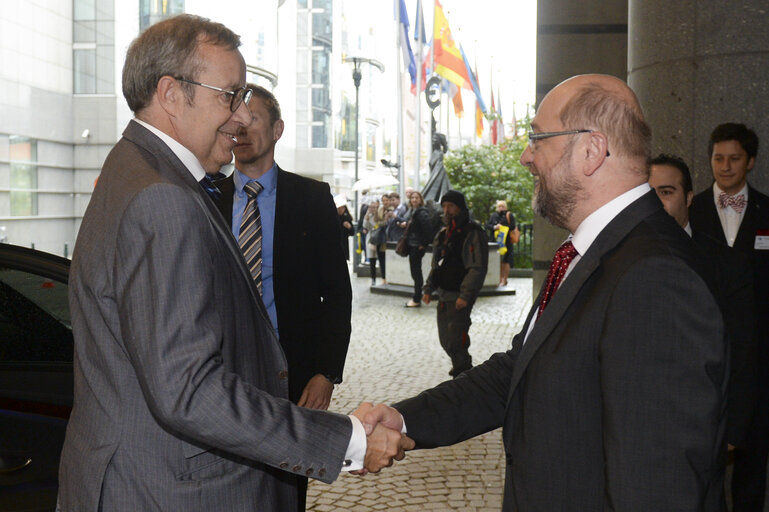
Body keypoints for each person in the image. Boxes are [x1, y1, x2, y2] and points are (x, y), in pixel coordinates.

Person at [58, 15, 405, 511]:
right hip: (167, 488)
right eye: (231, 95)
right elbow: (188, 389)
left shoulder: (136, 169)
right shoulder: (163, 198)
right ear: (172, 94)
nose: (242, 116)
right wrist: (345, 440)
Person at [360, 74, 728, 511]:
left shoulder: (655, 277)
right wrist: (403, 417)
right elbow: (519, 371)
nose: (525, 156)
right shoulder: (593, 250)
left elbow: (656, 487)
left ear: (591, 150)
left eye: (538, 138)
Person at [213, 84, 354, 508]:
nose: (242, 126)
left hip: (292, 374)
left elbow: (337, 293)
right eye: (236, 117)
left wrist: (326, 372)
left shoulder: (311, 199)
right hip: (224, 370)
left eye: (254, 118)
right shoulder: (207, 198)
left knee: (286, 486)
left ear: (277, 129)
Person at [649, 153, 758, 466]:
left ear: (689, 198)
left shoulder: (727, 263)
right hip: (638, 430)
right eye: (649, 194)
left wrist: (734, 430)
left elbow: (744, 349)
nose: (656, 203)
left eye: (666, 192)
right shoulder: (616, 262)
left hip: (706, 430)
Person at [689, 123, 769, 511]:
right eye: (718, 158)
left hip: (758, 356)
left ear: (750, 162)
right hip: (705, 352)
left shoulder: (768, 211)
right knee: (704, 462)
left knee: (754, 460)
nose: (725, 166)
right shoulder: (691, 211)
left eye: (734, 158)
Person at [422, 190, 488, 377]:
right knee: (445, 340)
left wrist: (465, 295)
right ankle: (461, 369)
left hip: (459, 295)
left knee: (456, 339)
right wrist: (428, 288)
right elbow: (436, 264)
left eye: (450, 206)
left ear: (460, 207)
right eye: (444, 206)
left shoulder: (472, 232)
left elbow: (477, 266)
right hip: (444, 293)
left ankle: (463, 373)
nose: (446, 210)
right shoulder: (443, 234)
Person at [401, 191, 433, 308]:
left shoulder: (421, 213)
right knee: (415, 273)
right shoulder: (413, 212)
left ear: (420, 200)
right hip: (412, 245)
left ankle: (416, 299)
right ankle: (417, 297)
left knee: (416, 273)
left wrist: (423, 244)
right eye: (412, 198)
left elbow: (428, 230)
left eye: (416, 198)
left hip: (416, 246)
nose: (414, 200)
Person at [486, 200, 517, 286]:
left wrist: (503, 227)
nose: (501, 208)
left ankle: (504, 279)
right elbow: (488, 225)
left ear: (505, 207)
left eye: (502, 206)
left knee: (506, 261)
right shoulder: (494, 216)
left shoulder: (508, 215)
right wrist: (495, 227)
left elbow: (512, 226)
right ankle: (498, 279)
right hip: (495, 242)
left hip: (506, 242)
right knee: (497, 261)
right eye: (499, 206)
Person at [363, 199, 387, 285]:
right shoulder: (368, 216)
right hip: (371, 239)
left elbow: (382, 224)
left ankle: (384, 277)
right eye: (371, 207)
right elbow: (365, 227)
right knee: (372, 259)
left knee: (381, 259)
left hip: (379, 239)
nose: (373, 209)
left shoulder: (380, 215)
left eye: (375, 207)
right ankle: (373, 278)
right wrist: (366, 217)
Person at [335, 194, 355, 261]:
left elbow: (352, 232)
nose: (341, 209)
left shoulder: (346, 217)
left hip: (344, 244)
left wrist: (349, 227)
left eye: (343, 207)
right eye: (339, 208)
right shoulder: (333, 217)